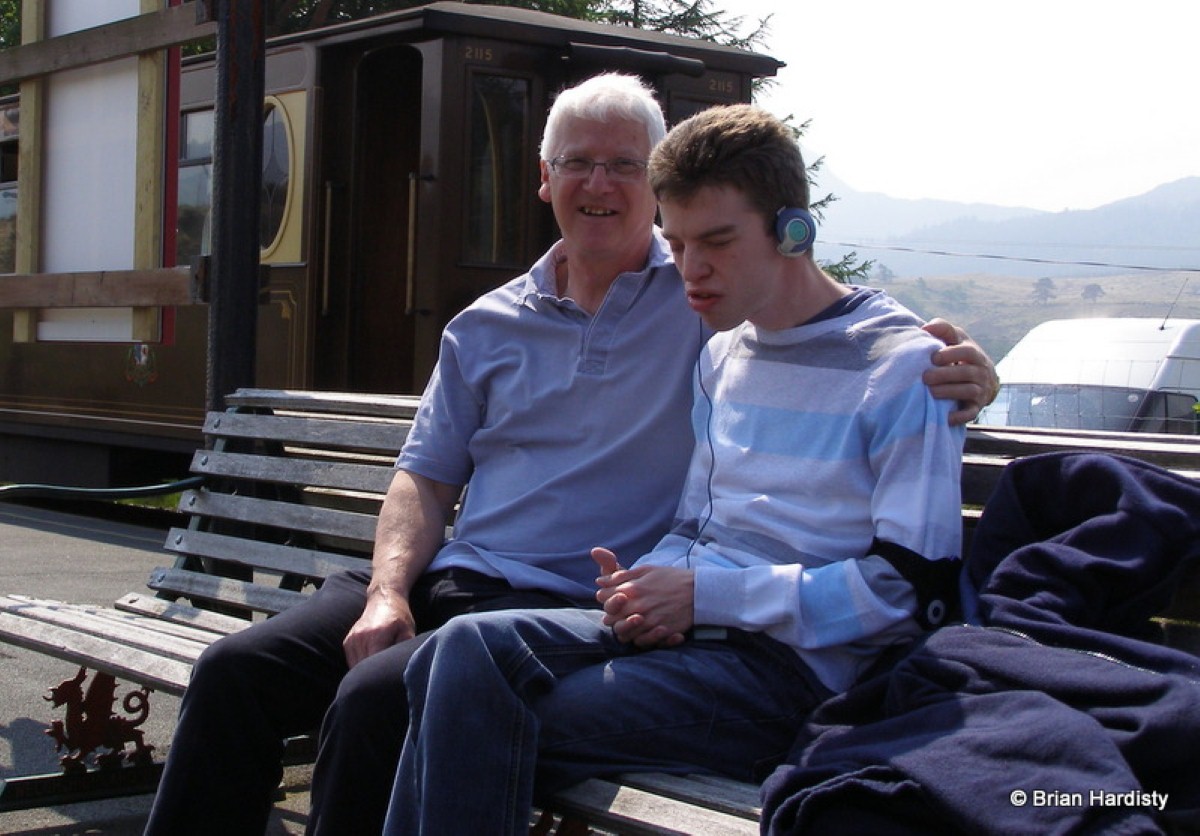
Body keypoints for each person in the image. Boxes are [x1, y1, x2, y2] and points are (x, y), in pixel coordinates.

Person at [144, 75, 993, 836]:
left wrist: (955, 367)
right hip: (510, 592)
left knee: (397, 698)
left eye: (626, 165)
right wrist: (387, 590)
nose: (694, 263)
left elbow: (896, 555)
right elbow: (434, 473)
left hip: (652, 623)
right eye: (577, 163)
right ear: (543, 180)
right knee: (235, 672)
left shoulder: (706, 311)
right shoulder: (553, 330)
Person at [382, 102, 967, 835]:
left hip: (790, 671)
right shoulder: (723, 353)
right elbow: (696, 524)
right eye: (678, 241)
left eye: (716, 243)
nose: (690, 271)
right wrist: (642, 588)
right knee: (463, 652)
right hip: (687, 635)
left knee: (475, 709)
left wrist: (704, 598)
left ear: (794, 229)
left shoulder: (903, 369)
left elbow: (912, 593)